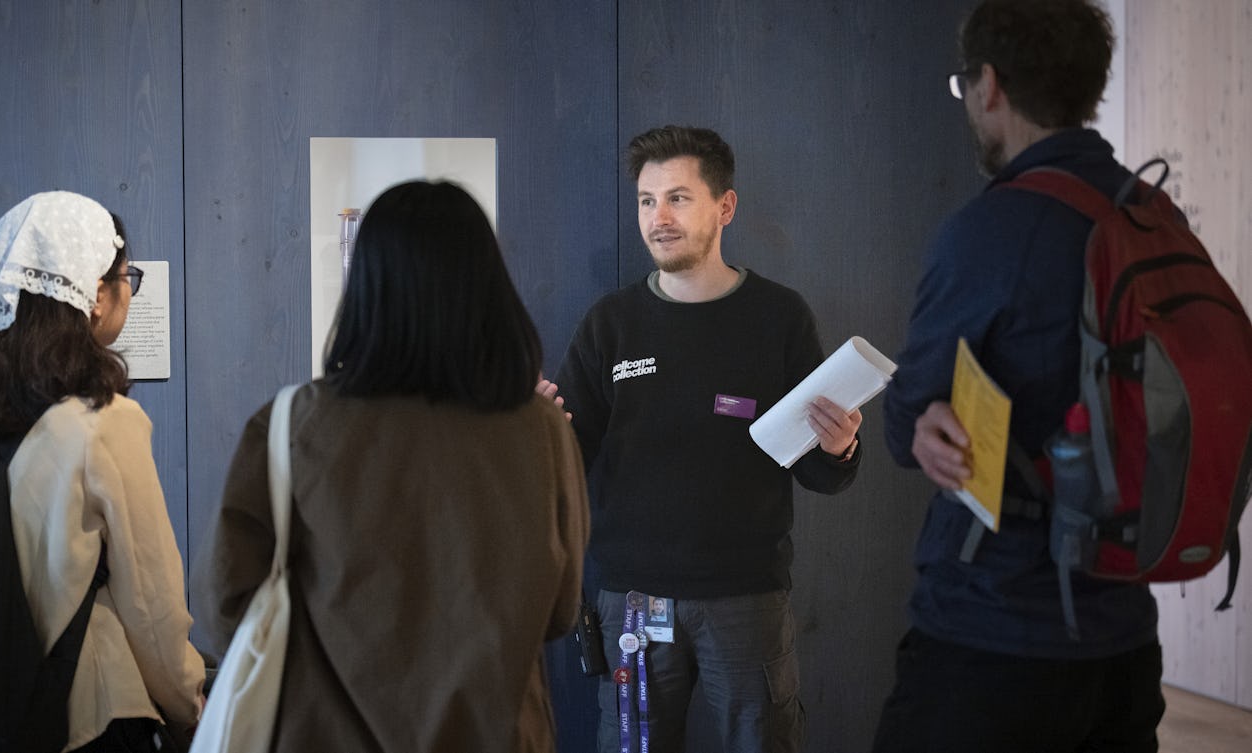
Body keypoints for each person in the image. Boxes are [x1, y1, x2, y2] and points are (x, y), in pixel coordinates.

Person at [194, 180, 590, 752]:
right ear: (487, 287)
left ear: (366, 286)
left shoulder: (294, 423)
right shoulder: (541, 430)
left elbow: (227, 601)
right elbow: (560, 610)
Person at [871, 2, 1164, 751]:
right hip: (1124, 631)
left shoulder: (991, 229)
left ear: (988, 85)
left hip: (994, 630)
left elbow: (907, 421)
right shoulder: (1156, 217)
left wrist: (920, 419)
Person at [553, 125, 863, 753]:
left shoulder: (779, 317)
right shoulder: (610, 324)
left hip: (745, 597)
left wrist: (838, 447)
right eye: (646, 200)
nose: (658, 217)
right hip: (633, 601)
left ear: (725, 207)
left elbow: (818, 471)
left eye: (678, 198)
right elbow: (567, 461)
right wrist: (543, 433)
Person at [0, 190, 205, 751]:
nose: (128, 291)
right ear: (93, 294)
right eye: (125, 276)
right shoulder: (102, 422)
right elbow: (151, 602)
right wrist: (191, 700)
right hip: (89, 715)